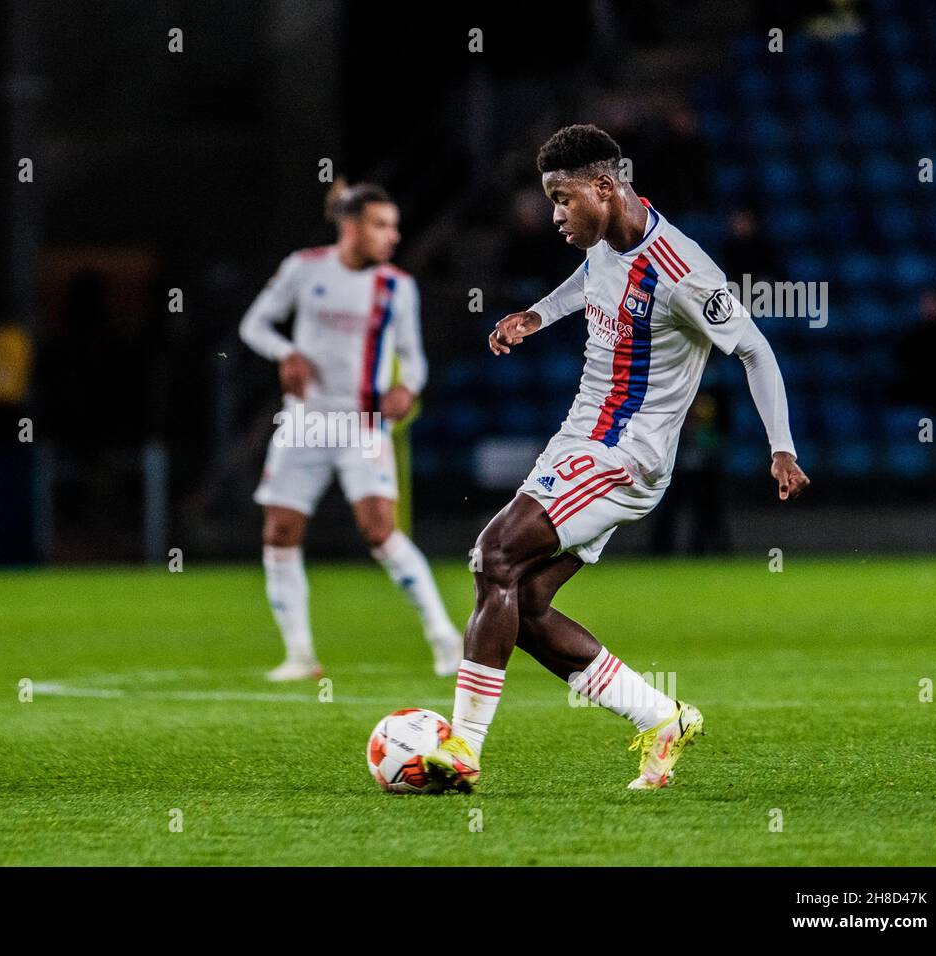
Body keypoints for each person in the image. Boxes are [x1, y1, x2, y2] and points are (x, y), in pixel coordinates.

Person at [423, 125, 809, 791]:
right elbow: (588, 283)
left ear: (604, 187)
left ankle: (461, 751)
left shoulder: (683, 271)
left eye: (562, 199)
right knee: (525, 604)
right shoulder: (607, 241)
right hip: (580, 441)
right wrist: (535, 317)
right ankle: (661, 718)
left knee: (494, 556)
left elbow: (753, 349)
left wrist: (781, 446)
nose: (554, 215)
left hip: (624, 454)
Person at [239, 181, 462, 681]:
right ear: (352, 226)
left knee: (379, 530)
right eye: (382, 225)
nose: (394, 236)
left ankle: (445, 638)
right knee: (279, 531)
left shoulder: (396, 287)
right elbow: (255, 325)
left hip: (363, 424)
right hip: (304, 420)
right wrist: (286, 353)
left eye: (394, 226)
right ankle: (299, 655)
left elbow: (413, 357)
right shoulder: (304, 267)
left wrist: (408, 390)